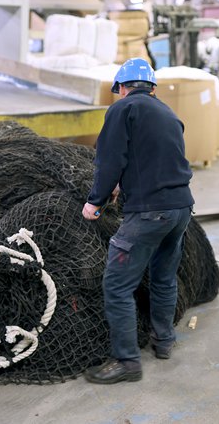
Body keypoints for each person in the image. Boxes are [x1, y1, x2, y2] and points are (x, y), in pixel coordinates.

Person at [81, 58, 194, 384]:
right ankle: (164, 342)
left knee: (117, 285)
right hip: (181, 210)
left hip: (150, 214)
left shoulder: (123, 109)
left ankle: (127, 362)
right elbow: (155, 158)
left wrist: (96, 201)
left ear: (122, 88)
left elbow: (109, 158)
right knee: (163, 277)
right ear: (153, 88)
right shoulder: (168, 115)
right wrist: (124, 184)